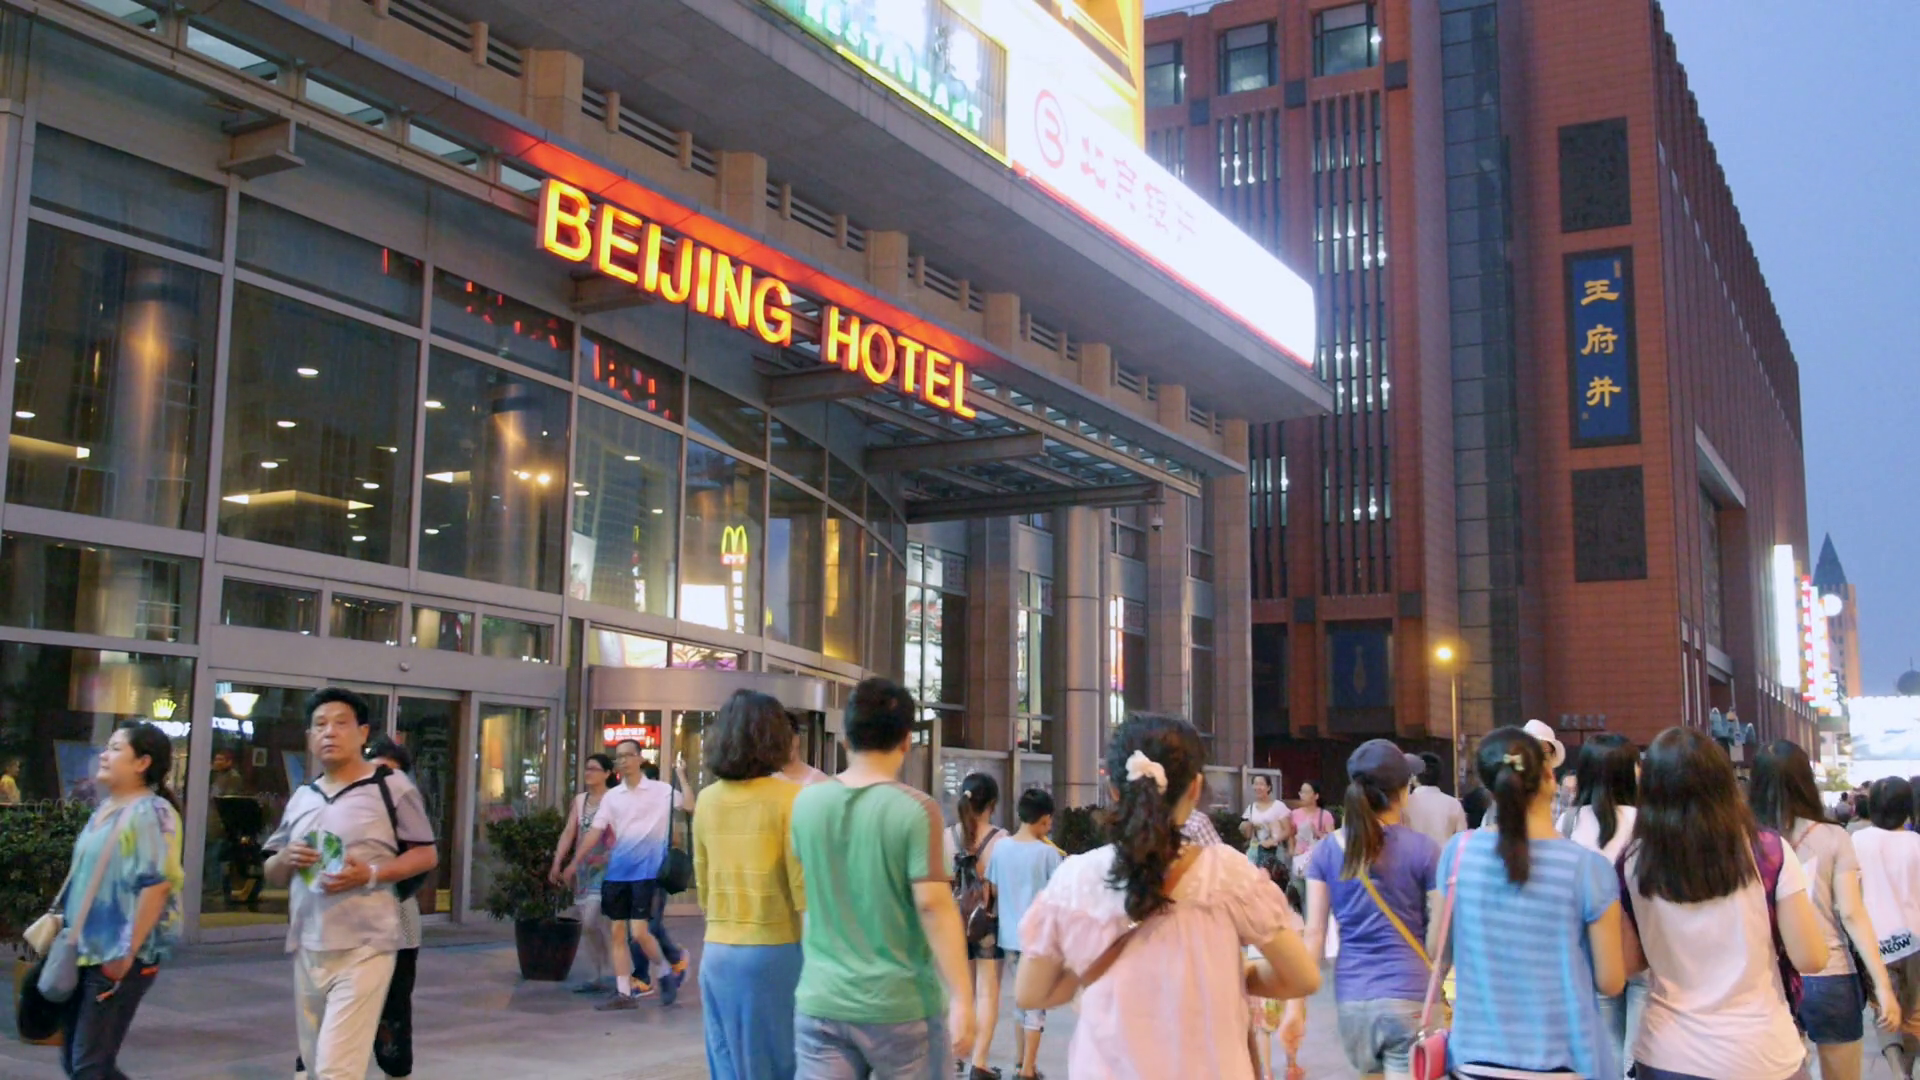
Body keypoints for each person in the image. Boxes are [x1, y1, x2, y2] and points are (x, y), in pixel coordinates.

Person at [1015, 713, 1319, 1079]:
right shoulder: (1228, 874)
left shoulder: (1076, 877)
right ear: (1195, 788)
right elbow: (1302, 977)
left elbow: (1031, 992)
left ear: (1113, 790)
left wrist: (1086, 972)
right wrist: (1241, 973)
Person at [1618, 726, 1827, 1080]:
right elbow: (1811, 957)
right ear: (1724, 782)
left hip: (1668, 1053)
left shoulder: (1633, 860)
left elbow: (1630, 961)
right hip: (1761, 1052)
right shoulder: (1768, 851)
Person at [790, 678, 974, 1075]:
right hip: (902, 1008)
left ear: (846, 739)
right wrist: (962, 997)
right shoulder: (916, 810)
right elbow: (933, 906)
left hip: (822, 1000)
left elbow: (809, 899)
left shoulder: (806, 804)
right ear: (907, 741)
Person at [263, 689, 438, 1080]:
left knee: (336, 1069)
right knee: (313, 1065)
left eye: (341, 723)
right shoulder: (303, 797)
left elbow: (426, 855)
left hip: (366, 945)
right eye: (320, 725)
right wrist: (286, 858)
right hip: (308, 944)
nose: (329, 732)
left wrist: (371, 874)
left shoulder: (391, 787)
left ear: (362, 733)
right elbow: (271, 872)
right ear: (309, 737)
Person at [1431, 726, 1625, 1079]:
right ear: (1550, 776)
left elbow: (1437, 949)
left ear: (1489, 788)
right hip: (1565, 1061)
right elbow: (1611, 981)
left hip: (1474, 1060)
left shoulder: (1457, 853)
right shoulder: (1587, 868)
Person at [1281, 740, 1440, 1080]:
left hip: (1353, 1003)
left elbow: (1314, 934)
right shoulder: (1424, 849)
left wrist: (1295, 1007)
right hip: (1410, 996)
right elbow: (1441, 931)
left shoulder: (1326, 851)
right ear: (1403, 792)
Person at [1750, 740, 1898, 1080]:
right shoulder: (1833, 836)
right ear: (1805, 780)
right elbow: (1852, 913)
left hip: (1767, 979)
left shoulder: (1741, 840)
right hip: (1830, 974)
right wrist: (1882, 985)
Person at [54, 723, 183, 1079]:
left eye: (114, 748)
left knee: (88, 1065)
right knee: (82, 1062)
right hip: (87, 950)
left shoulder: (152, 813)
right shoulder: (107, 809)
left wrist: (126, 953)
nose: (104, 755)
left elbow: (157, 886)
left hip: (119, 956)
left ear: (142, 762)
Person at [694, 689, 809, 1080]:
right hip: (774, 952)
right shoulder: (792, 799)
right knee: (780, 1065)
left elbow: (704, 888)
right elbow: (803, 893)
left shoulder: (706, 800)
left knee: (726, 1063)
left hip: (717, 951)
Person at [562, 737, 681, 1009]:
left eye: (628, 755)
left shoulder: (661, 790)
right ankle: (624, 993)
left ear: (640, 758)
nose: (623, 761)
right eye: (619, 756)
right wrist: (574, 862)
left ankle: (664, 971)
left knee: (639, 932)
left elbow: (689, 804)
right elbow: (595, 832)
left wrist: (683, 776)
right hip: (617, 873)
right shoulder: (613, 797)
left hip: (646, 874)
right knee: (617, 932)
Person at [986, 788, 1064, 1080]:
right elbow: (1059, 895)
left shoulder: (1001, 847)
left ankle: (1020, 1062)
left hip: (1009, 936)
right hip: (1038, 940)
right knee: (1036, 1005)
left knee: (1022, 1000)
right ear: (1043, 819)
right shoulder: (1047, 853)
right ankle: (1028, 1070)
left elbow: (993, 888)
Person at [1853, 775, 1920, 1078]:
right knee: (1914, 1014)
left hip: (1874, 943)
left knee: (1884, 1008)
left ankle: (1897, 1070)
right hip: (1914, 941)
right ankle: (1907, 1069)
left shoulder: (1858, 841)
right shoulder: (1916, 844)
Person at [945, 773, 1007, 1080]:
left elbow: (941, 881)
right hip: (987, 924)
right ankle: (979, 1064)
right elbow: (998, 888)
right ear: (992, 804)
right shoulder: (1001, 839)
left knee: (960, 991)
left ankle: (955, 1056)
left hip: (954, 922)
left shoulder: (948, 836)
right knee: (987, 993)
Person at [549, 753, 617, 993]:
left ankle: (611, 968)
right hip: (583, 870)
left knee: (592, 918)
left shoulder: (614, 799)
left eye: (594, 769)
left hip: (606, 868)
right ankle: (598, 972)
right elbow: (570, 832)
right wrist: (557, 861)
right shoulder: (580, 800)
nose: (589, 773)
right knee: (588, 924)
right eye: (587, 768)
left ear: (607, 773)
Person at [1402, 751, 1466, 851]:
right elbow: (1462, 842)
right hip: (1444, 859)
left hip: (1412, 859)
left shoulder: (1404, 804)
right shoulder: (1454, 804)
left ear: (1414, 777)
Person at [1240, 774, 1293, 874]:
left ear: (1269, 787)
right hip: (1254, 852)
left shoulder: (1278, 806)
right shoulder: (1251, 808)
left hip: (1274, 852)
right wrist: (1246, 827)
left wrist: (1273, 840)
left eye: (1261, 784)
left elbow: (1288, 830)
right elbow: (1248, 835)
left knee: (1273, 879)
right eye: (1255, 784)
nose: (1258, 787)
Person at [781, 712, 831, 786]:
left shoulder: (820, 781)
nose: (783, 745)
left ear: (797, 738)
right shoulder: (768, 780)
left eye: (787, 738)